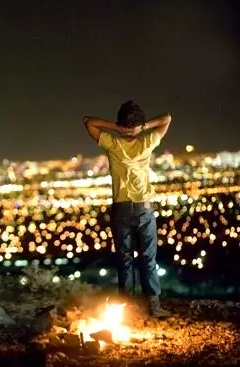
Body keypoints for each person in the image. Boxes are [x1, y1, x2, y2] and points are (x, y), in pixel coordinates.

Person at [83, 100, 172, 319]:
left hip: (121, 210)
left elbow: (88, 122)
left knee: (125, 260)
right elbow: (166, 118)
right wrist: (142, 127)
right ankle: (153, 305)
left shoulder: (112, 144)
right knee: (148, 259)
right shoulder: (147, 141)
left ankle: (126, 307)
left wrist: (117, 127)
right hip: (144, 209)